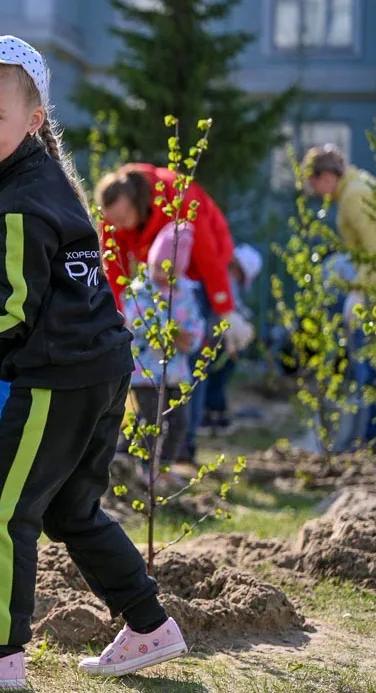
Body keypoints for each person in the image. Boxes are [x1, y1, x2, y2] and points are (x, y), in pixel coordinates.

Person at [0, 35, 188, 691]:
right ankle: (149, 626)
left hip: (60, 377)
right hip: (104, 366)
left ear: (33, 121)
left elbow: (13, 312)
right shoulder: (42, 183)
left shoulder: (18, 201)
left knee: (1, 510)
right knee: (70, 512)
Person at [94, 163, 254, 358]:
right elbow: (114, 266)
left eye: (123, 217)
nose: (118, 226)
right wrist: (118, 317)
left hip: (205, 272)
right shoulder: (115, 215)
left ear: (139, 202)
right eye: (113, 221)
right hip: (166, 277)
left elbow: (208, 258)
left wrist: (225, 309)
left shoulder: (178, 197)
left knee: (198, 345)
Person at [121, 222, 205, 485]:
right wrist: (168, 334)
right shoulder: (140, 290)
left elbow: (196, 325)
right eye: (158, 268)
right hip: (145, 372)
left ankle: (164, 467)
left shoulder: (185, 292)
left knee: (179, 423)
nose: (161, 275)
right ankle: (144, 468)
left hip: (177, 371)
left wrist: (189, 340)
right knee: (150, 422)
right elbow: (135, 325)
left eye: (168, 271)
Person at [303, 144, 376, 449]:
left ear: (326, 175)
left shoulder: (354, 195)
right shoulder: (358, 185)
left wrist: (359, 294)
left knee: (367, 371)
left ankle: (368, 444)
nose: (316, 191)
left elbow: (373, 251)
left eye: (314, 182)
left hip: (371, 295)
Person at [196, 243, 263, 436]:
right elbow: (222, 310)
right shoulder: (224, 278)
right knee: (212, 373)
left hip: (214, 334)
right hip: (211, 336)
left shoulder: (226, 277)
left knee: (212, 373)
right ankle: (211, 411)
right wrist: (231, 342)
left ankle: (212, 411)